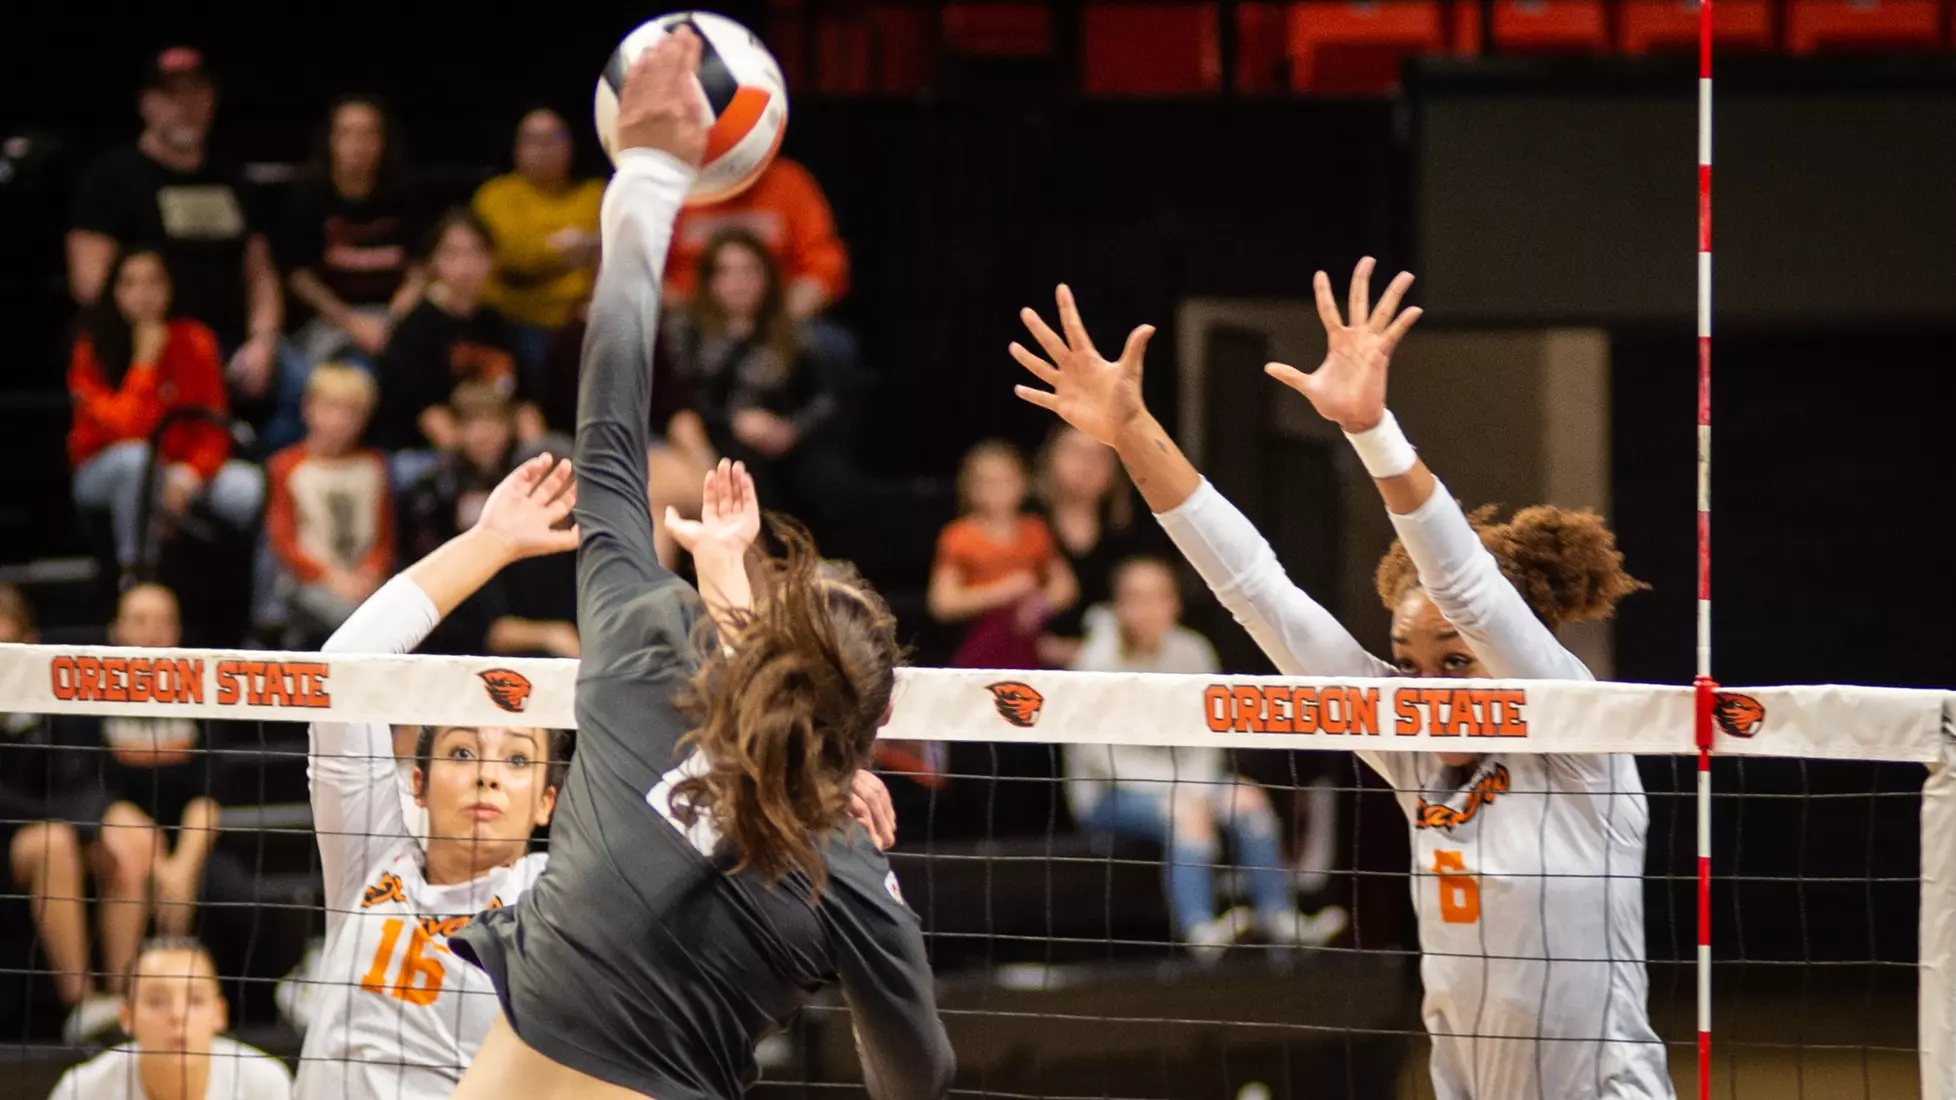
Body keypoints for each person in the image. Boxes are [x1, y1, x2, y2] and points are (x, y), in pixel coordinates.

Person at [1010, 267, 1668, 1098]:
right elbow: (1257, 592)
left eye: (1455, 663)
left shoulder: (1579, 742)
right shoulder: (1413, 758)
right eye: (1408, 663)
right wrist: (1132, 429)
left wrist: (1371, 429)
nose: (1424, 689)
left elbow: (1466, 587)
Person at [446, 34, 952, 1099]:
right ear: (864, 731)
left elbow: (612, 429)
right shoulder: (841, 861)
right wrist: (861, 902)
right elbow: (921, 1070)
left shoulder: (641, 643)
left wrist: (648, 181)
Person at [292, 453, 575, 1099]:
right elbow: (345, 667)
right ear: (414, 784)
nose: (487, 778)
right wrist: (490, 542)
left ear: (546, 802)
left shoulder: (558, 896)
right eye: (461, 753)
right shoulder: (371, 856)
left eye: (516, 759)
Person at [1065, 558, 1347, 960]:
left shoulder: (1192, 652)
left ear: (1174, 604)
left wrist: (1194, 788)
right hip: (1107, 795)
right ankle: (1199, 929)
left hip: (1189, 783)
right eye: (1137, 598)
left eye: (1158, 597)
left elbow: (1207, 739)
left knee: (1247, 800)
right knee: (1186, 814)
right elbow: (1099, 759)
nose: (1148, 608)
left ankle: (1279, 916)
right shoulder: (1096, 661)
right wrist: (1180, 793)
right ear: (1119, 605)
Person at [66, 46, 308, 453]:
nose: (186, 107)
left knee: (310, 392)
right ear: (146, 104)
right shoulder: (111, 178)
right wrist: (163, 343)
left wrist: (263, 340)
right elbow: (89, 283)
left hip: (233, 345)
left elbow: (261, 273)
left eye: (197, 94)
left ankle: (261, 484)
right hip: (154, 344)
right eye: (171, 96)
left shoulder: (232, 178)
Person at [68, 247, 263, 575]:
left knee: (253, 488)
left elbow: (213, 428)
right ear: (114, 291)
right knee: (136, 461)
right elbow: (125, 430)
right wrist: (145, 363)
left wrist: (189, 476)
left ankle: (268, 614)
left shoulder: (196, 340)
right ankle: (138, 574)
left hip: (181, 472)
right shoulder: (91, 349)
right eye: (130, 284)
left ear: (170, 288)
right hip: (104, 471)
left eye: (153, 283)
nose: (143, 295)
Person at [664, 226, 860, 546]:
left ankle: (820, 576)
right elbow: (679, 399)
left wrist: (791, 430)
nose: (738, 283)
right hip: (714, 434)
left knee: (828, 481)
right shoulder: (686, 331)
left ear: (767, 277)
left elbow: (823, 399)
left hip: (783, 437)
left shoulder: (791, 332)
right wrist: (734, 421)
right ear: (709, 280)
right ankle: (766, 575)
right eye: (725, 272)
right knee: (746, 475)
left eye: (749, 271)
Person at [0, 586, 122, 1043]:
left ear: (29, 638)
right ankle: (81, 1002)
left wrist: (91, 830)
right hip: (16, 837)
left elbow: (84, 774)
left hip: (56, 825)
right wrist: (75, 828)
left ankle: (124, 996)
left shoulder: (55, 693)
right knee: (52, 843)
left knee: (131, 837)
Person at [372, 211, 546, 482]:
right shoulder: (416, 327)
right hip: (431, 452)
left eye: (476, 253)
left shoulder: (496, 323)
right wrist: (479, 460)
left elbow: (523, 404)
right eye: (452, 254)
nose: (465, 266)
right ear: (434, 263)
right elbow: (427, 414)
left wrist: (540, 457)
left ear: (492, 261)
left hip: (498, 448)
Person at [90, 585, 222, 943]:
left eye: (164, 621)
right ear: (116, 630)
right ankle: (116, 993)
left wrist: (180, 869)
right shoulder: (87, 690)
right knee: (126, 867)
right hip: (111, 834)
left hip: (185, 840)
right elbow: (90, 789)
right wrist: (152, 853)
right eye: (140, 621)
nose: (152, 632)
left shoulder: (202, 690)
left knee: (240, 896)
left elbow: (207, 798)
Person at [48, 937, 293, 1100]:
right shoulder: (82, 1091)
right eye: (156, 1001)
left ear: (219, 1014)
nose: (178, 1016)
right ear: (127, 1016)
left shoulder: (265, 1086)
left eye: (195, 1000)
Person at [281, 94, 425, 370]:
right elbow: (299, 277)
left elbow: (419, 269)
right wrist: (351, 322)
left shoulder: (403, 193)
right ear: (330, 141)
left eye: (368, 134)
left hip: (392, 317)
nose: (358, 144)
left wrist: (392, 320)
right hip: (329, 321)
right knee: (354, 372)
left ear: (383, 142)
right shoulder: (307, 197)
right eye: (347, 133)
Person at [471, 107, 605, 391]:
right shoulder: (495, 196)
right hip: (516, 319)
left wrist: (553, 250)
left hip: (580, 318)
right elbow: (512, 256)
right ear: (516, 147)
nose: (544, 149)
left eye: (553, 139)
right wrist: (567, 250)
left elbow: (611, 255)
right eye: (533, 140)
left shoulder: (594, 194)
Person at [259, 363, 392, 645]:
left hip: (362, 579)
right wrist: (331, 578)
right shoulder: (286, 466)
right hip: (307, 581)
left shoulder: (374, 465)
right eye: (331, 408)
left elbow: (384, 536)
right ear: (308, 408)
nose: (340, 420)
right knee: (360, 623)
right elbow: (283, 540)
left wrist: (369, 573)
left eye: (352, 411)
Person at [928, 439, 1078, 670]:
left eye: (1005, 480)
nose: (996, 489)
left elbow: (1065, 588)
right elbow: (943, 603)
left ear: (1022, 483)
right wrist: (1002, 592)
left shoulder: (1035, 530)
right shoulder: (958, 536)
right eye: (986, 482)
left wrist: (1039, 606)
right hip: (979, 647)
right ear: (969, 487)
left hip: (1027, 646)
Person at [1032, 424, 1158, 667]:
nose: (1087, 464)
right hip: (1024, 666)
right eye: (1075, 452)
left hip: (1112, 666)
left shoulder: (1132, 534)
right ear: (1050, 458)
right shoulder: (1022, 525)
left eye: (1100, 455)